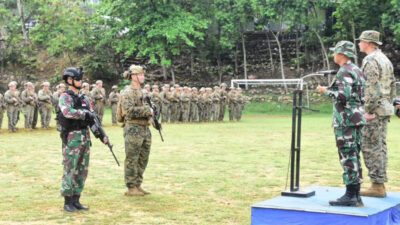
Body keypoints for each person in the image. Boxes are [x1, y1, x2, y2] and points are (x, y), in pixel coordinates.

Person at [317, 40, 365, 206]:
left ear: (342, 54)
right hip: (357, 117)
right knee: (354, 154)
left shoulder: (344, 71)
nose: (334, 55)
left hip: (346, 120)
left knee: (347, 155)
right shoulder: (356, 70)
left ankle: (351, 195)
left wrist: (326, 91)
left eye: (335, 52)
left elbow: (343, 96)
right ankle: (356, 194)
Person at [58, 67, 107, 212]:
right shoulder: (65, 96)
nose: (80, 82)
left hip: (85, 137)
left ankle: (76, 199)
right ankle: (67, 201)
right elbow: (67, 112)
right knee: (70, 168)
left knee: (82, 169)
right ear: (69, 80)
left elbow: (92, 117)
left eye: (81, 79)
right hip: (73, 137)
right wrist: (83, 113)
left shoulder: (85, 98)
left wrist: (101, 135)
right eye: (77, 79)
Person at [357, 30, 395, 197]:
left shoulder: (371, 60)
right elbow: (392, 86)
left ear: (369, 43)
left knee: (371, 146)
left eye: (361, 41)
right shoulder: (385, 59)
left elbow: (371, 88)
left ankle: (377, 186)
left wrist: (368, 110)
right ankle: (379, 183)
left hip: (375, 110)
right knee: (380, 146)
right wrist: (389, 104)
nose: (359, 43)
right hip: (385, 108)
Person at [119, 65, 153, 196]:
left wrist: (152, 112)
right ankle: (131, 186)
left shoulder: (143, 92)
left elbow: (150, 107)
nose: (143, 77)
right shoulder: (127, 93)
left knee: (143, 158)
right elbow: (129, 111)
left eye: (143, 75)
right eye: (140, 75)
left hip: (144, 128)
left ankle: (138, 184)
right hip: (133, 128)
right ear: (133, 76)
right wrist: (147, 110)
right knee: (132, 158)